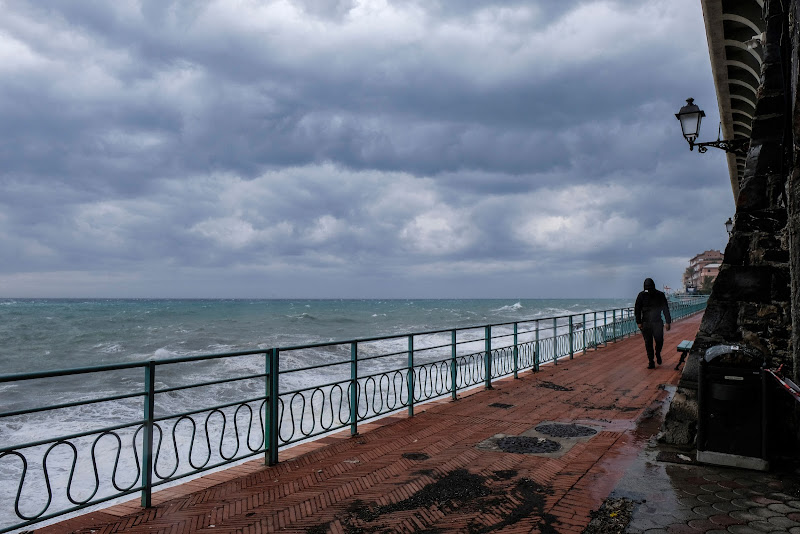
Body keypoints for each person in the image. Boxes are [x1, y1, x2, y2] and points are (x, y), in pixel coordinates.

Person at [634, 278, 672, 369]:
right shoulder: (641, 295)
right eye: (647, 288)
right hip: (646, 323)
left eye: (650, 287)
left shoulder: (660, 295)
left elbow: (665, 309)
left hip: (657, 322)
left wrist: (668, 322)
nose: (649, 289)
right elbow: (637, 309)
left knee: (659, 341)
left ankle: (658, 353)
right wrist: (638, 322)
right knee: (648, 343)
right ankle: (651, 361)